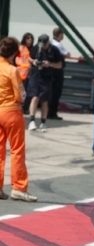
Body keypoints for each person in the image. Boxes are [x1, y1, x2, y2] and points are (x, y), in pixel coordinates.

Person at [0, 36, 34, 201]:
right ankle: (19, 187)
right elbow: (21, 94)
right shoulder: (12, 70)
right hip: (11, 112)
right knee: (17, 150)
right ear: (14, 53)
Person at [26, 34, 63, 132]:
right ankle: (32, 120)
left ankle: (43, 122)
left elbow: (60, 65)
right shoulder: (36, 48)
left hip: (47, 77)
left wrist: (49, 64)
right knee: (35, 97)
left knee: (44, 100)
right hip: (35, 75)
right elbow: (29, 58)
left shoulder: (54, 50)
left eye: (44, 44)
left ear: (48, 43)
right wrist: (33, 61)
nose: (42, 46)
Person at [47, 27, 69, 120]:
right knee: (56, 92)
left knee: (51, 92)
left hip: (50, 70)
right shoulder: (58, 45)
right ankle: (52, 113)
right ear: (60, 35)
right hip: (57, 70)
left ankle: (49, 111)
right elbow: (67, 54)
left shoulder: (51, 43)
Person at [16, 33, 33, 114]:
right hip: (21, 75)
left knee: (28, 92)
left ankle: (25, 107)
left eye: (31, 38)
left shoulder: (33, 49)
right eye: (28, 38)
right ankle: (20, 107)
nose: (29, 40)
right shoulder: (20, 48)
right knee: (21, 91)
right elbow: (16, 59)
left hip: (29, 75)